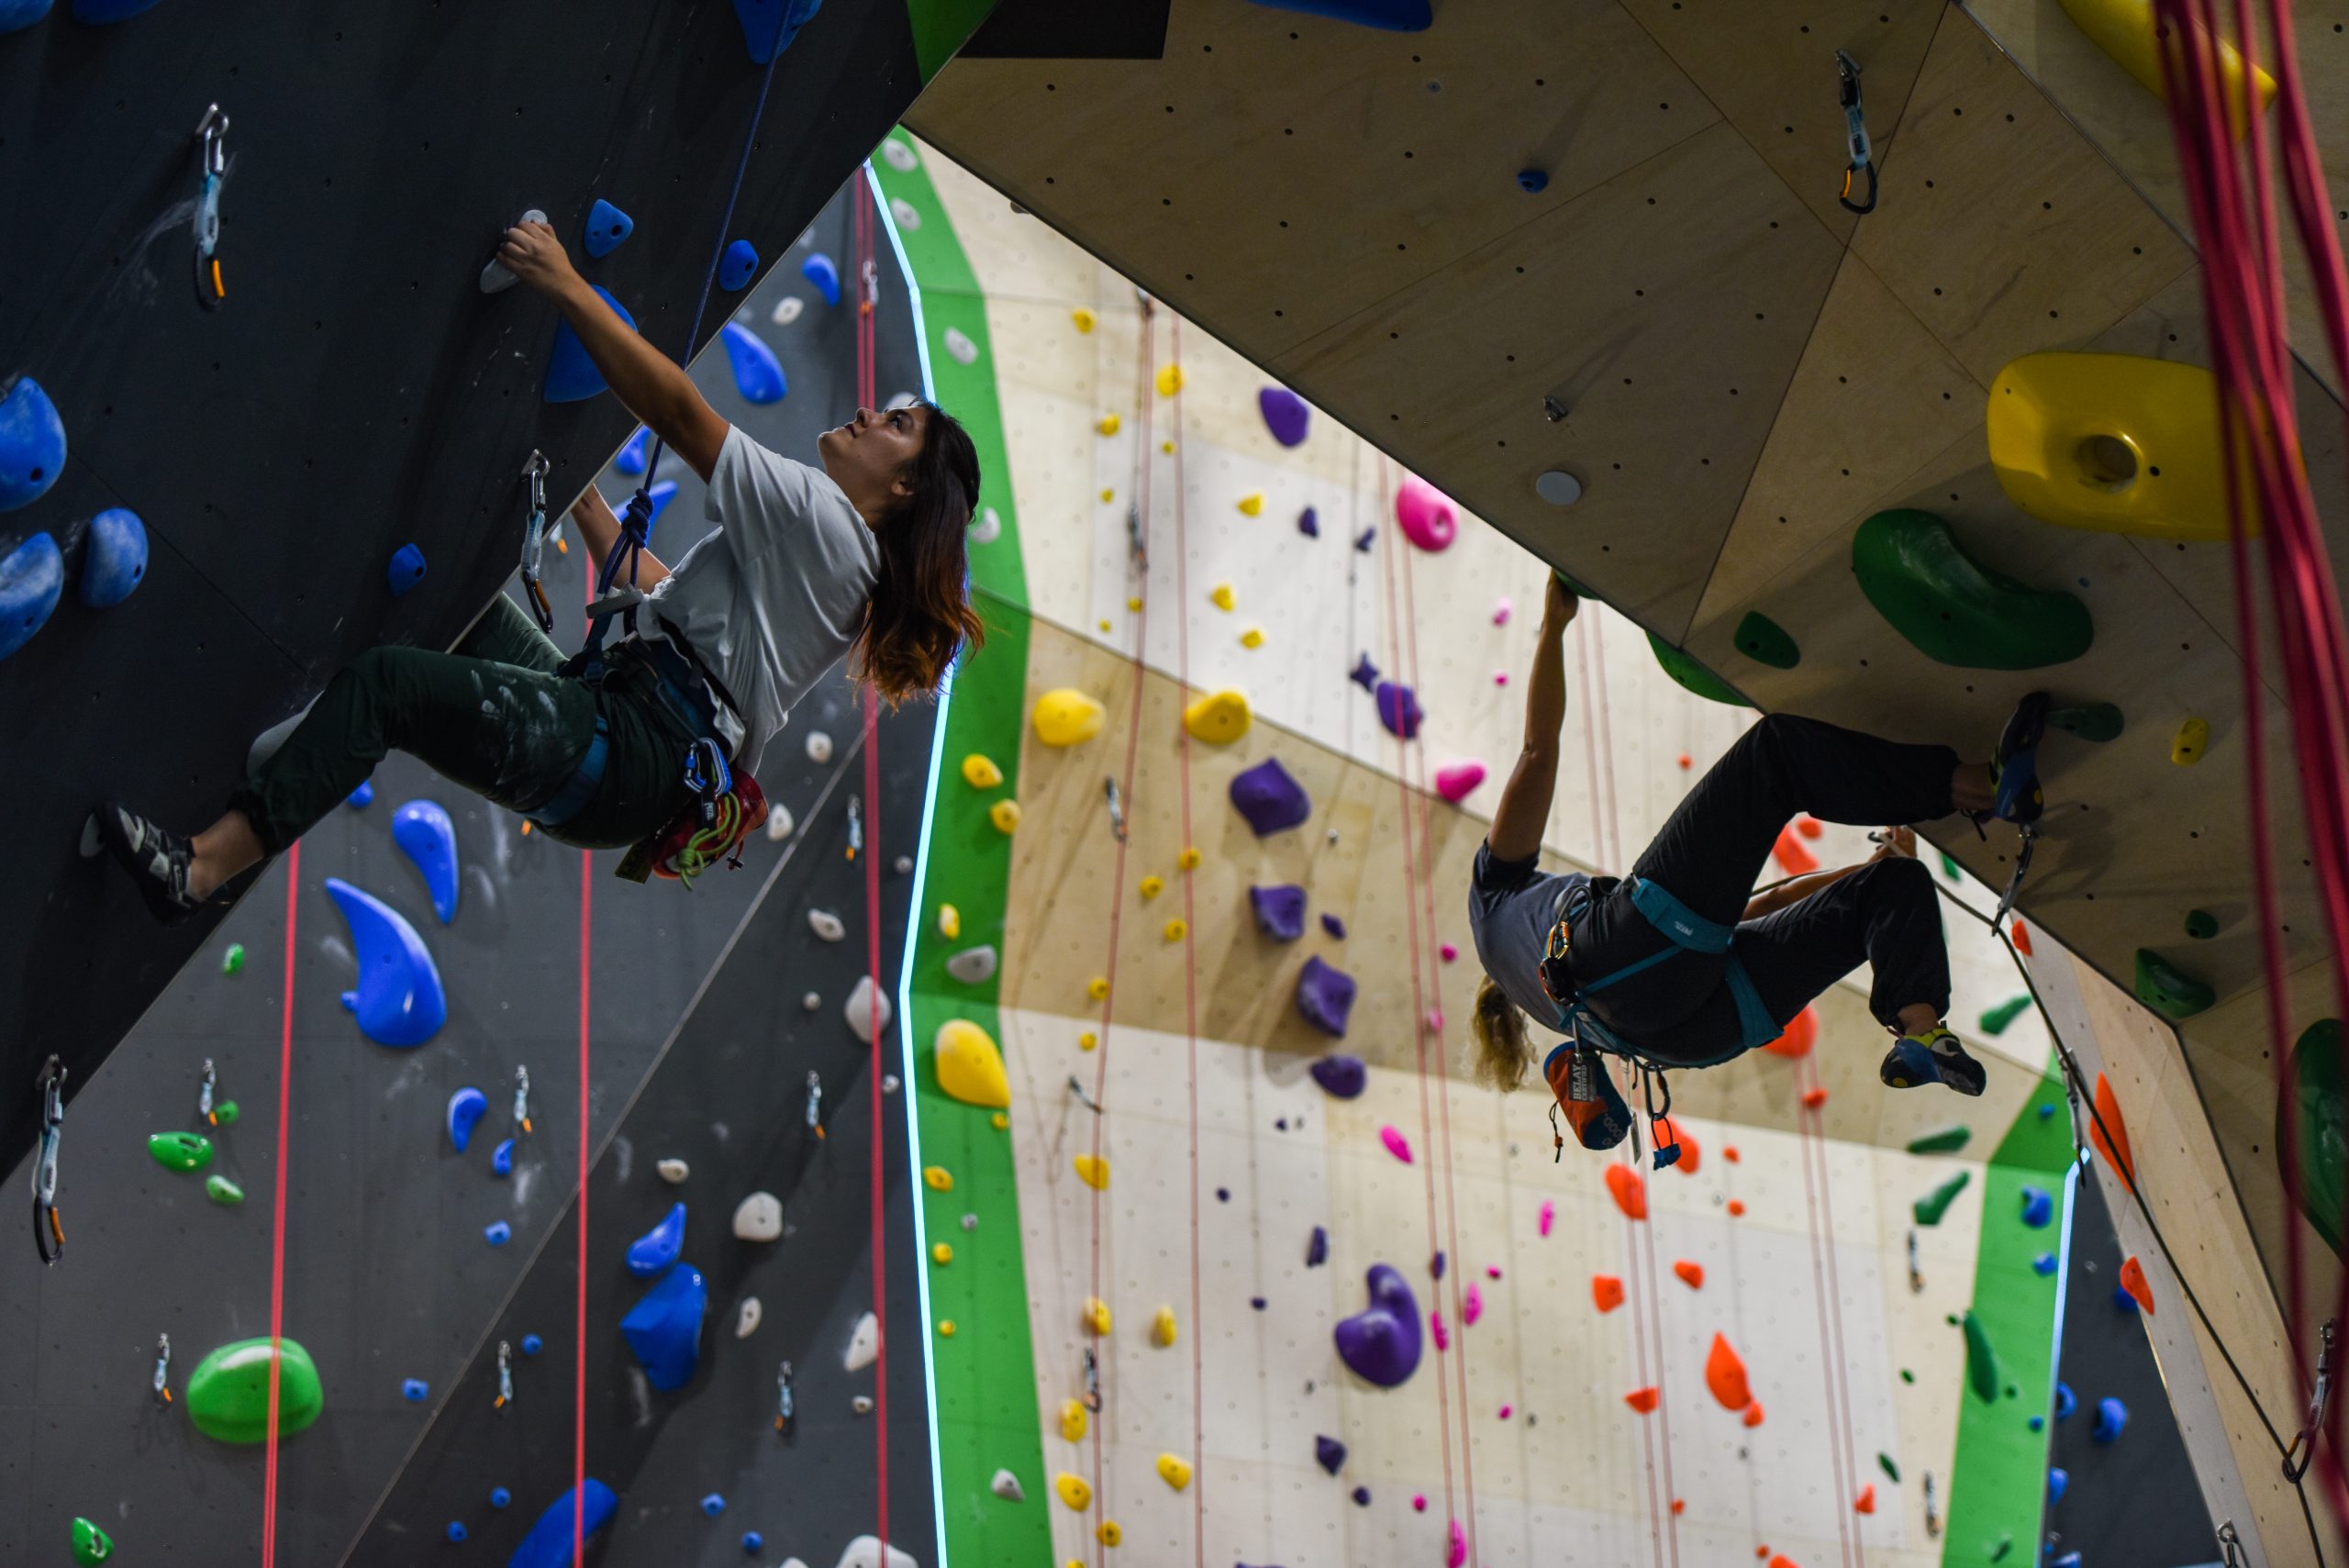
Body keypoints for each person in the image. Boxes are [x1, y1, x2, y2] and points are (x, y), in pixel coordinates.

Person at [87, 218, 983, 924]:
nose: (871, 413)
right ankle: (291, 779)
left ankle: (200, 868)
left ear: (904, 488)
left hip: (628, 746)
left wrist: (561, 279)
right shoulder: (828, 564)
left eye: (896, 425)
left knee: (391, 682)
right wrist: (588, 504)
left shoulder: (831, 526)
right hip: (629, 748)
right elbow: (676, 608)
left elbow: (678, 409)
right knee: (462, 610)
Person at [1465, 575, 2048, 1152]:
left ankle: (1920, 1029)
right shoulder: (1492, 898)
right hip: (1621, 953)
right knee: (1773, 756)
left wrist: (1869, 866)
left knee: (1893, 885)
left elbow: (1752, 910)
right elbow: (1537, 755)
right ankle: (1975, 785)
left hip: (1696, 1031)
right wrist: (1555, 623)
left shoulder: (1547, 998)